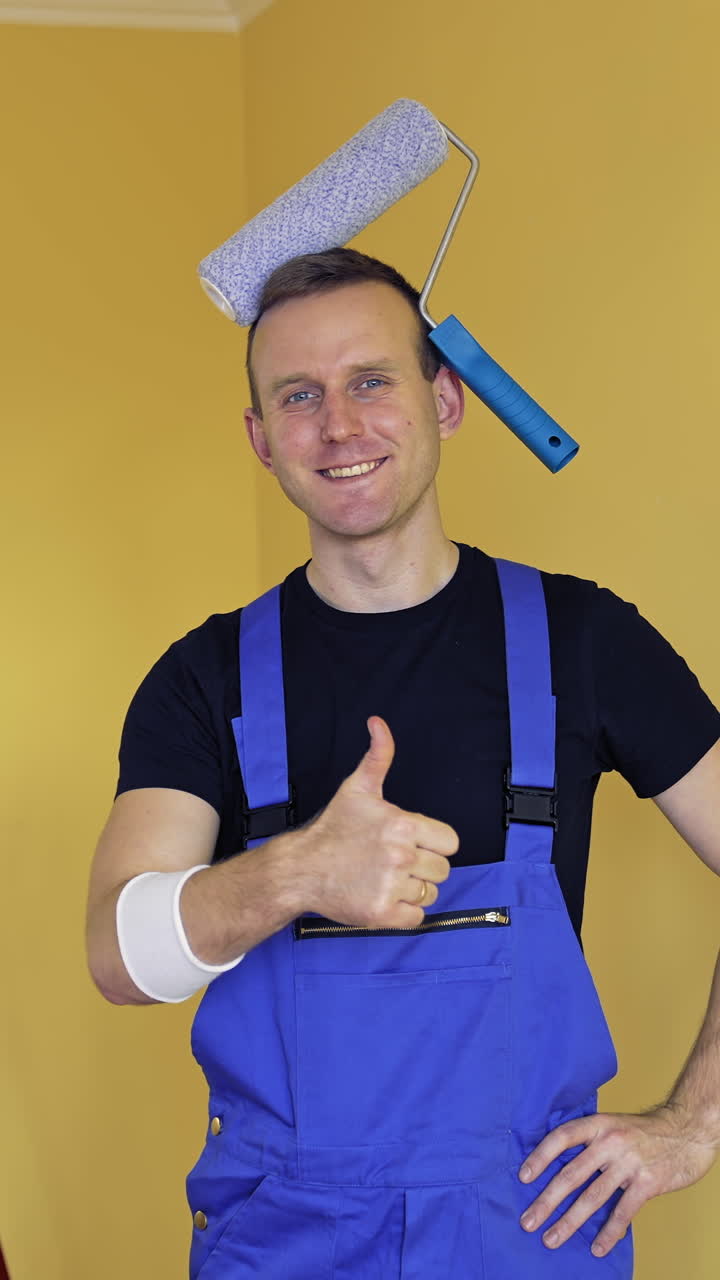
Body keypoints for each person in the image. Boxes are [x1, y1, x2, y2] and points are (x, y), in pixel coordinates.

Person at [86, 248, 720, 1279]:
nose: (339, 424)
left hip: (531, 1229)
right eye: (300, 395)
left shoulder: (584, 641)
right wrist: (299, 872)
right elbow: (117, 955)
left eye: (371, 380)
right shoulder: (203, 678)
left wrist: (692, 1124)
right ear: (261, 439)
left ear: (447, 398)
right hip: (278, 1236)